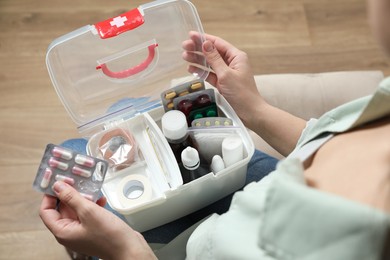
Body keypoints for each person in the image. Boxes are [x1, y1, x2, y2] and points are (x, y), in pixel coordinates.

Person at [39, 0, 390, 258]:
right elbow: (326, 142)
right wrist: (255, 110)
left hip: (206, 245)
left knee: (73, 148)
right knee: (118, 114)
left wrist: (126, 252)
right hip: (264, 189)